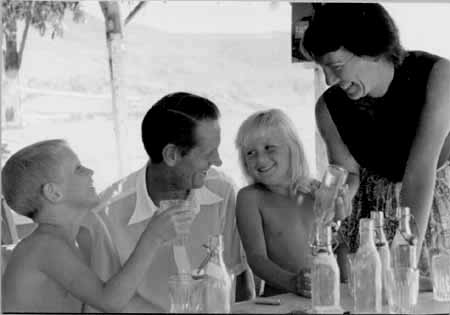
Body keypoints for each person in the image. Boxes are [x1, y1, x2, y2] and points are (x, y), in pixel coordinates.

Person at [302, 3, 450, 282]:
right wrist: (339, 194)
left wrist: (404, 265)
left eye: (335, 66)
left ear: (370, 48)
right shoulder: (328, 108)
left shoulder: (439, 76)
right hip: (375, 219)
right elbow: (347, 172)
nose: (328, 80)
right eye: (322, 69)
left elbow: (419, 173)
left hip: (432, 208)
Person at [77, 92, 254, 313]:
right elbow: (99, 307)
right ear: (171, 155)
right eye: (208, 153)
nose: (217, 160)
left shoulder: (223, 192)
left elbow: (238, 278)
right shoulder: (105, 216)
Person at [1, 139, 193, 313]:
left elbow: (123, 300)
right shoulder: (44, 247)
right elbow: (109, 301)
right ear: (54, 193)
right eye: (78, 168)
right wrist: (153, 237)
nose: (90, 172)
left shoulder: (75, 240)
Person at [235, 109, 347, 297]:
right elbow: (257, 259)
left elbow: (340, 244)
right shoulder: (250, 198)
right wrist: (293, 283)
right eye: (250, 153)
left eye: (269, 148)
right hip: (281, 299)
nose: (260, 159)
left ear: (292, 149)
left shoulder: (317, 193)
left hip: (326, 295)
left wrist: (341, 214)